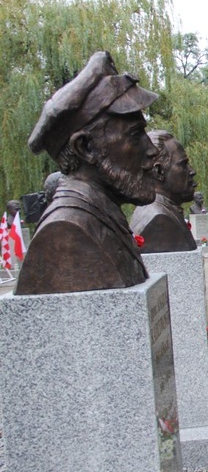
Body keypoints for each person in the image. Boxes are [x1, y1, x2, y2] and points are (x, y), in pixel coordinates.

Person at [15, 52, 158, 295]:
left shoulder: (102, 218)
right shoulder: (64, 232)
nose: (152, 150)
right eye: (135, 136)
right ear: (86, 147)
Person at [130, 130, 198, 253]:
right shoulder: (159, 219)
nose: (192, 171)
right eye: (183, 164)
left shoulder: (155, 210)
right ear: (159, 171)